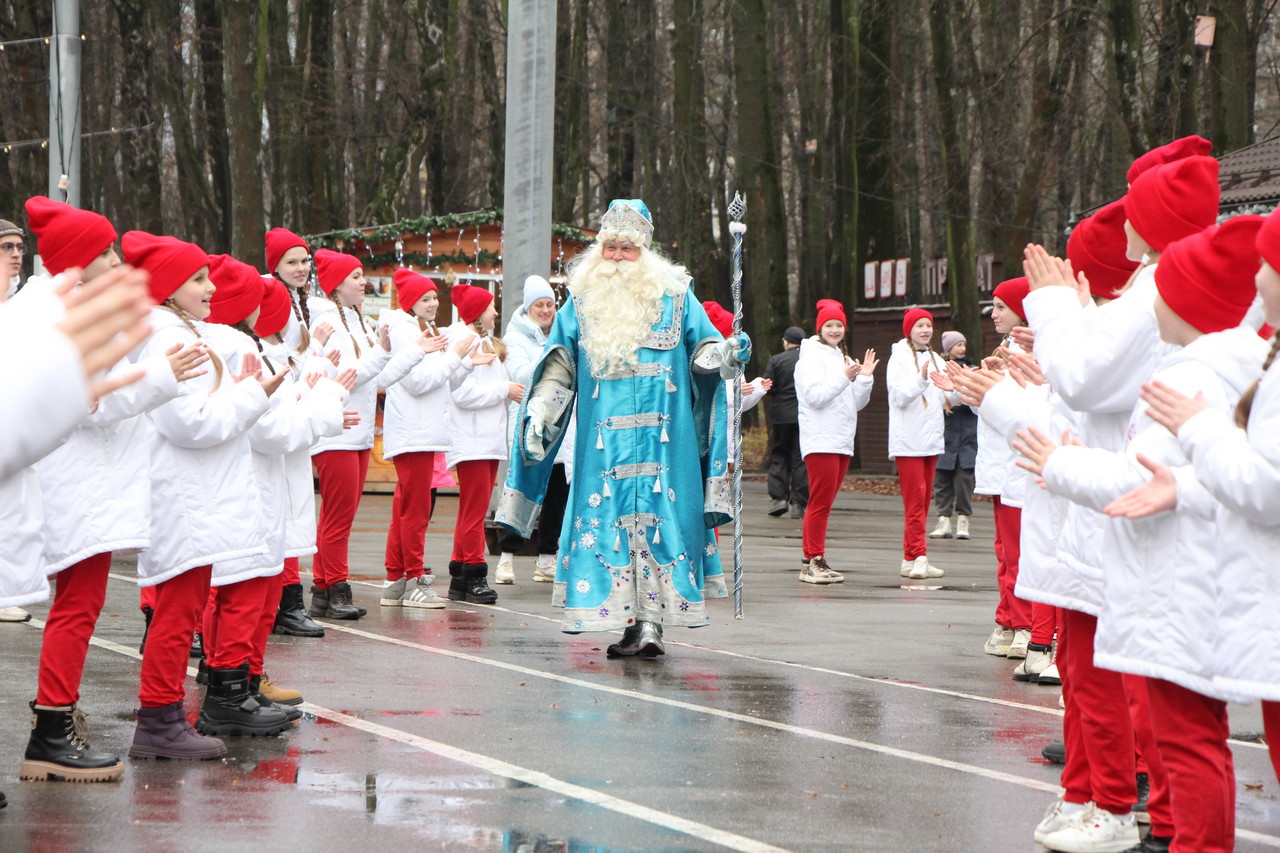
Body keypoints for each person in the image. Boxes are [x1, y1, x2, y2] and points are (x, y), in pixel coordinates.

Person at [1017, 215, 1266, 853]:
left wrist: (1057, 463)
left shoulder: (1193, 375)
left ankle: (1182, 837)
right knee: (1184, 738)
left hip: (1176, 576)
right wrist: (1181, 484)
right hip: (1181, 572)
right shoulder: (1215, 365)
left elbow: (1151, 470)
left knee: (1186, 742)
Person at [496, 199, 742, 659]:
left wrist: (725, 355)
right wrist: (541, 416)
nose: (617, 258)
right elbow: (559, 367)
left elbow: (703, 348)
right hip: (604, 447)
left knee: (661, 521)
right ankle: (633, 622)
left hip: (666, 447)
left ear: (645, 251)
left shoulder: (676, 294)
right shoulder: (581, 301)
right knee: (607, 525)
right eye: (610, 248)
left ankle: (651, 622)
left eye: (628, 249)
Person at [19, 198, 207, 782]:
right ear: (78, 259)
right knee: (75, 608)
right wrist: (161, 377)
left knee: (80, 606)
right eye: (104, 251)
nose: (115, 259)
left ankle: (55, 724)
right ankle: (51, 732)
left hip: (82, 480)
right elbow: (86, 401)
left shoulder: (61, 307)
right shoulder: (53, 314)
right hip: (72, 480)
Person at [122, 230, 282, 760]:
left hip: (194, 493)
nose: (210, 287)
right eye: (196, 279)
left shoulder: (179, 330)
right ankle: (158, 719)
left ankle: (163, 716)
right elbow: (189, 423)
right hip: (183, 495)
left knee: (181, 610)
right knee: (175, 613)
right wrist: (252, 395)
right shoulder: (170, 338)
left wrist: (244, 394)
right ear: (168, 289)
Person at [306, 250, 394, 620]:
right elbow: (350, 374)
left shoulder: (358, 320)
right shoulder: (327, 321)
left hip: (355, 432)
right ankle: (335, 588)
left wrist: (404, 355)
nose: (364, 282)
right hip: (335, 431)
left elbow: (375, 376)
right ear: (337, 285)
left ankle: (325, 590)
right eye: (356, 276)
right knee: (338, 519)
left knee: (338, 516)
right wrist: (384, 352)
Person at [379, 268, 468, 607]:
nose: (433, 304)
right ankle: (414, 579)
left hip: (424, 432)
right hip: (413, 432)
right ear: (410, 303)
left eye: (434, 297)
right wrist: (455, 357)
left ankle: (396, 578)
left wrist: (465, 362)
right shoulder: (405, 330)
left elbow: (444, 383)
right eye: (425, 299)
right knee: (414, 510)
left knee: (407, 506)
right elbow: (415, 382)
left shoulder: (425, 328)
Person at [495, 275, 573, 585]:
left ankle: (546, 559)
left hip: (558, 423)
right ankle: (506, 558)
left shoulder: (560, 333)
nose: (545, 310)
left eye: (550, 304)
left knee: (556, 493)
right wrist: (553, 354)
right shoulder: (515, 338)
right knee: (521, 488)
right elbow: (521, 374)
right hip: (527, 424)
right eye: (539, 305)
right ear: (528, 308)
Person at [794, 299, 875, 583]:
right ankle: (812, 559)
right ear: (819, 329)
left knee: (825, 503)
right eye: (829, 325)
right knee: (819, 502)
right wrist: (844, 377)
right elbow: (815, 397)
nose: (835, 329)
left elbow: (854, 403)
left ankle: (812, 560)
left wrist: (863, 379)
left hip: (841, 438)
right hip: (821, 438)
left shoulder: (842, 357)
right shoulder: (810, 358)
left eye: (839, 325)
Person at [886, 307, 952, 579]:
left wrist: (960, 387)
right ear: (909, 330)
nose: (925, 330)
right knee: (914, 503)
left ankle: (909, 557)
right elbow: (899, 397)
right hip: (908, 441)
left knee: (924, 501)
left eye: (928, 325)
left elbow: (946, 398)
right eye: (919, 326)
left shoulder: (937, 358)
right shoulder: (898, 358)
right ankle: (921, 555)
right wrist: (921, 380)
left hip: (931, 440)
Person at [929, 330, 977, 540]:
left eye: (963, 344)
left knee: (964, 478)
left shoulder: (973, 370)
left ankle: (964, 519)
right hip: (945, 432)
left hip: (967, 433)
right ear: (948, 349)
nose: (962, 348)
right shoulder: (939, 370)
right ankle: (944, 518)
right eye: (957, 345)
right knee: (942, 477)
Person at [763, 325, 809, 518]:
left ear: (786, 342)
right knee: (801, 458)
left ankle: (779, 498)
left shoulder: (777, 360)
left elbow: (767, 385)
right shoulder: (809, 361)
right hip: (805, 415)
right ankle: (799, 503)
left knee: (780, 454)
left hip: (781, 416)